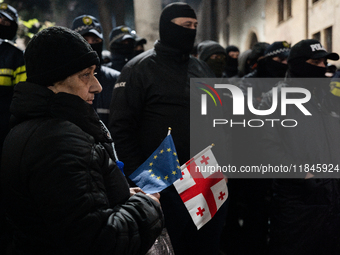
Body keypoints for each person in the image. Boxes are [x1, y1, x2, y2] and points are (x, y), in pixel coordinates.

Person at [0, 26, 163, 255]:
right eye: (85, 75)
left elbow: (75, 211)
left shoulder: (32, 129)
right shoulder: (59, 142)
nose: (97, 86)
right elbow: (98, 240)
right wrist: (148, 206)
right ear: (52, 81)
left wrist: (120, 196)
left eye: (95, 73)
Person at [109, 3, 228, 255]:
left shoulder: (201, 68)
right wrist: (142, 182)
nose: (191, 31)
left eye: (195, 26)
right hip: (160, 186)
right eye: (186, 26)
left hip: (203, 180)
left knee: (205, 247)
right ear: (167, 27)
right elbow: (121, 130)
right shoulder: (138, 69)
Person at [259, 39, 340, 255]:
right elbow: (266, 147)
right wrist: (303, 175)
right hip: (297, 204)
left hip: (332, 201)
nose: (323, 67)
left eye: (324, 62)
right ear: (297, 65)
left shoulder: (327, 99)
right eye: (316, 62)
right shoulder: (273, 100)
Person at [0, 3, 26, 253]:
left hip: (5, 138)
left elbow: (23, 101)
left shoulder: (16, 56)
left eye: (6, 21)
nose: (2, 25)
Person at [72, 15, 120, 126]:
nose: (90, 44)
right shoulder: (65, 81)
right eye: (84, 40)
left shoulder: (116, 79)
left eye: (95, 40)